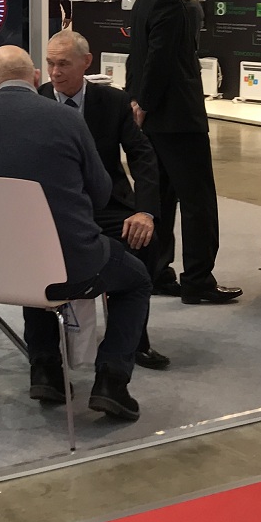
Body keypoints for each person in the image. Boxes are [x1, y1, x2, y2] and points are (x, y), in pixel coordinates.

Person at [0, 45, 152, 421]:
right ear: (35, 77)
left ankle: (44, 370)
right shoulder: (65, 118)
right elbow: (100, 192)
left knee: (32, 263)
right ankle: (111, 381)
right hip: (71, 263)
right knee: (136, 280)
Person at [40, 29, 168, 369]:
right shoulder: (37, 101)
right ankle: (47, 353)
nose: (55, 73)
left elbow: (142, 156)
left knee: (146, 240)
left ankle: (133, 341)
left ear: (86, 62)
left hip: (105, 203)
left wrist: (145, 211)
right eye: (50, 64)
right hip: (52, 210)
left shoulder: (113, 102)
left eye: (64, 64)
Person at [126, 0, 240, 305]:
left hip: (155, 118)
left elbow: (138, 56)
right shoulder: (171, 2)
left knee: (160, 197)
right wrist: (145, 102)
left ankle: (158, 271)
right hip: (177, 117)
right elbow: (160, 61)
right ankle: (198, 279)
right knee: (198, 200)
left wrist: (137, 102)